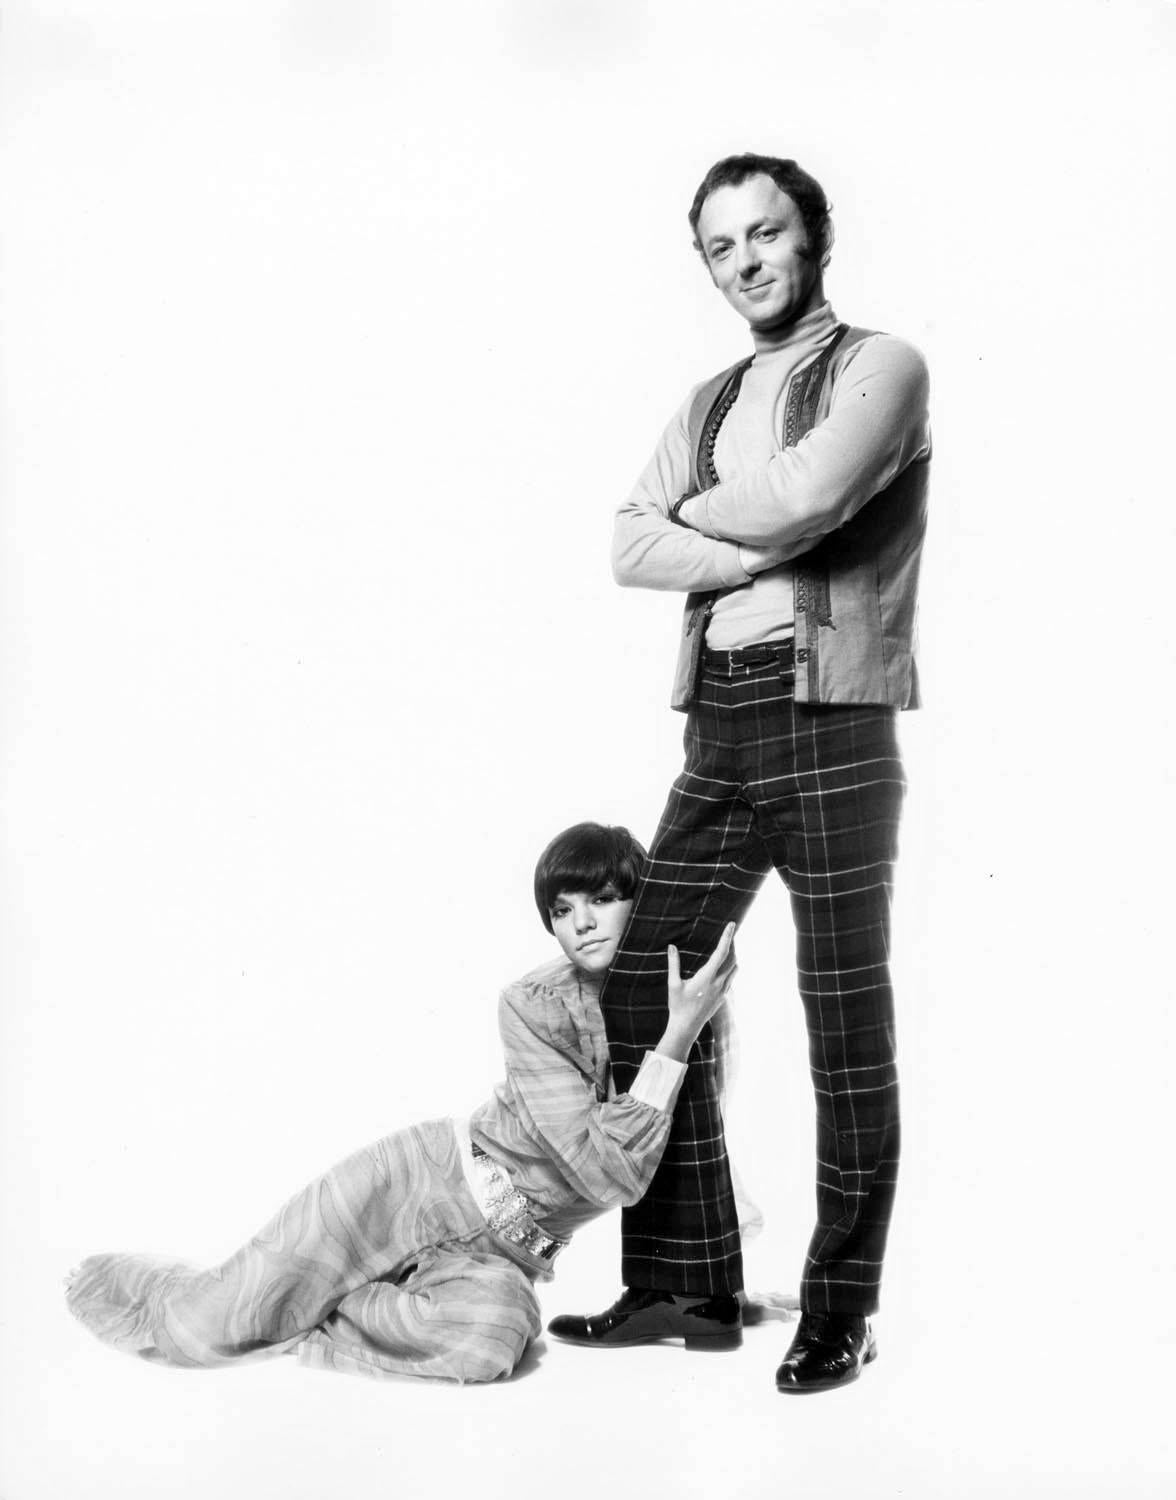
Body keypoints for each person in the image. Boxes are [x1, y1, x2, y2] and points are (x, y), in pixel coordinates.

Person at [547, 153, 931, 1394]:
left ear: (815, 234)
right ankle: (686, 1278)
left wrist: (700, 523)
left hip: (832, 727)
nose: (748, 261)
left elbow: (814, 497)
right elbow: (623, 544)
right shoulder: (708, 398)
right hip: (719, 723)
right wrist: (744, 522)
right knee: (641, 993)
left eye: (766, 233)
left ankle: (840, 1309)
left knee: (844, 1031)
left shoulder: (881, 366)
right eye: (722, 247)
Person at [65, 823, 737, 1383]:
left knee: (488, 1345)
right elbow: (603, 1171)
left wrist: (720, 1276)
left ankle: (320, 1308)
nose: (583, 924)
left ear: (639, 900)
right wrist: (674, 1040)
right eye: (562, 910)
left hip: (505, 1256)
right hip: (418, 1182)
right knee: (207, 1325)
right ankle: (234, 1293)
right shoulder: (532, 1006)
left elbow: (695, 1153)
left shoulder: (694, 1002)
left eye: (600, 899)